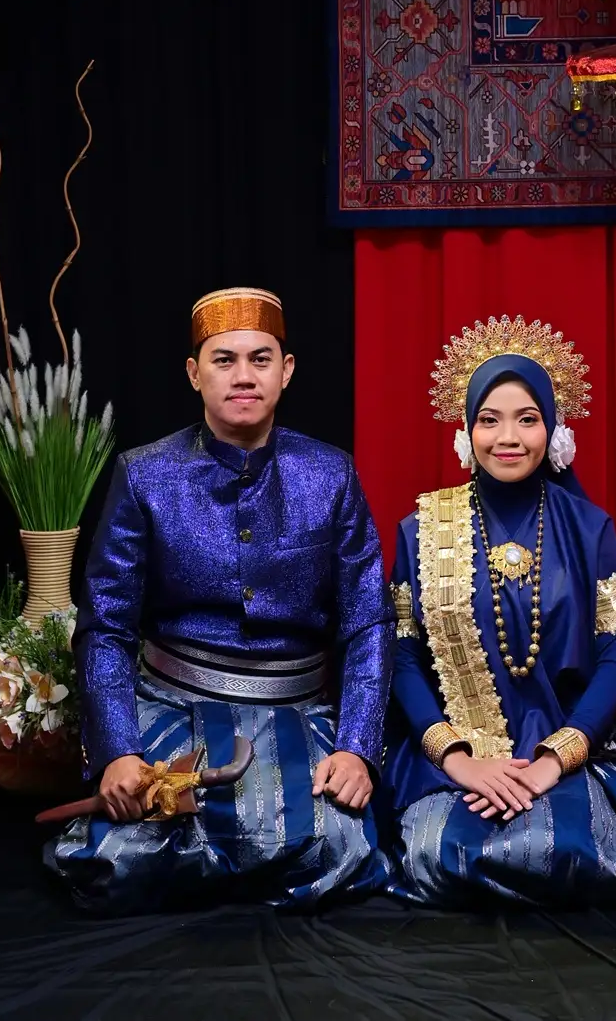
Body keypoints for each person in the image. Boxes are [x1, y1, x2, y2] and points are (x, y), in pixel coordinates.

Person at [383, 315, 616, 904]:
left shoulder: (589, 529)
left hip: (560, 747)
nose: (508, 437)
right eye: (489, 419)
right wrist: (458, 760)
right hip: (453, 755)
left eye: (527, 419)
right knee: (441, 853)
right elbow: (403, 660)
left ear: (553, 428)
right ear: (467, 430)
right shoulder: (421, 530)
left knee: (561, 849)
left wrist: (552, 760)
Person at [47, 287, 394, 911]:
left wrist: (356, 747)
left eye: (261, 359)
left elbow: (368, 620)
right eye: (223, 360)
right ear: (194, 373)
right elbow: (106, 627)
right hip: (171, 706)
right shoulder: (144, 474)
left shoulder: (331, 474)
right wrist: (118, 749)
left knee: (339, 848)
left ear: (286, 371)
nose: (243, 376)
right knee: (120, 858)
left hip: (297, 710)